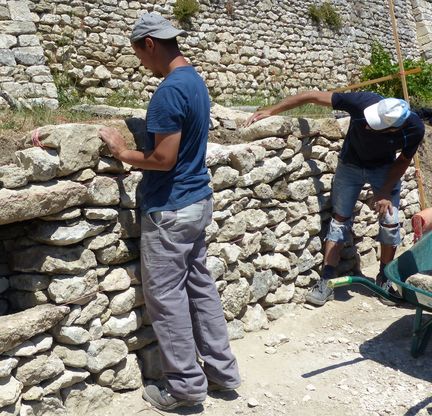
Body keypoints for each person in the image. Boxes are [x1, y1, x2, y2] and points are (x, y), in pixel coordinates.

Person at [99, 12, 240, 411]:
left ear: (149, 44)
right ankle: (222, 372)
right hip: (198, 202)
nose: (141, 63)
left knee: (167, 299)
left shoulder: (167, 92)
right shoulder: (194, 81)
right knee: (201, 287)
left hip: (170, 210)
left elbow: (163, 158)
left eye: (139, 55)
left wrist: (121, 151)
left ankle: (185, 388)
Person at [245, 91, 425, 306]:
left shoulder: (414, 128)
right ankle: (327, 280)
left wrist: (385, 191)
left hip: (384, 170)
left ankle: (384, 277)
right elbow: (310, 96)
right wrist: (271, 110)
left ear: (395, 128)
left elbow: (404, 160)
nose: (367, 125)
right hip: (350, 166)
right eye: (369, 121)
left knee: (390, 222)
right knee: (340, 220)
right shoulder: (363, 104)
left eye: (374, 125)